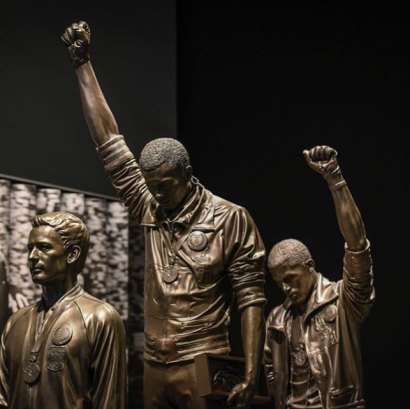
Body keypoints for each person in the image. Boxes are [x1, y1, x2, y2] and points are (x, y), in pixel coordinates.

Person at [61, 21, 266, 409]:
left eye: (165, 185)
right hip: (155, 361)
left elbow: (250, 297)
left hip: (203, 360)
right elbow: (109, 142)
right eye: (150, 185)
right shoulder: (149, 206)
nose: (156, 193)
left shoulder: (230, 218)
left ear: (187, 175)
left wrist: (253, 371)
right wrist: (82, 65)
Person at [264, 145, 374, 409]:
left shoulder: (342, 301)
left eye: (291, 278)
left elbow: (357, 245)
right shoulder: (277, 320)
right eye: (280, 283)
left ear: (309, 266)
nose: (286, 288)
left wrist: (335, 178)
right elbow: (273, 377)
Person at [0, 211, 126, 409]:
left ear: (72, 254)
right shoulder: (15, 322)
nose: (32, 257)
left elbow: (109, 400)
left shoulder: (100, 317)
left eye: (43, 248)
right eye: (30, 249)